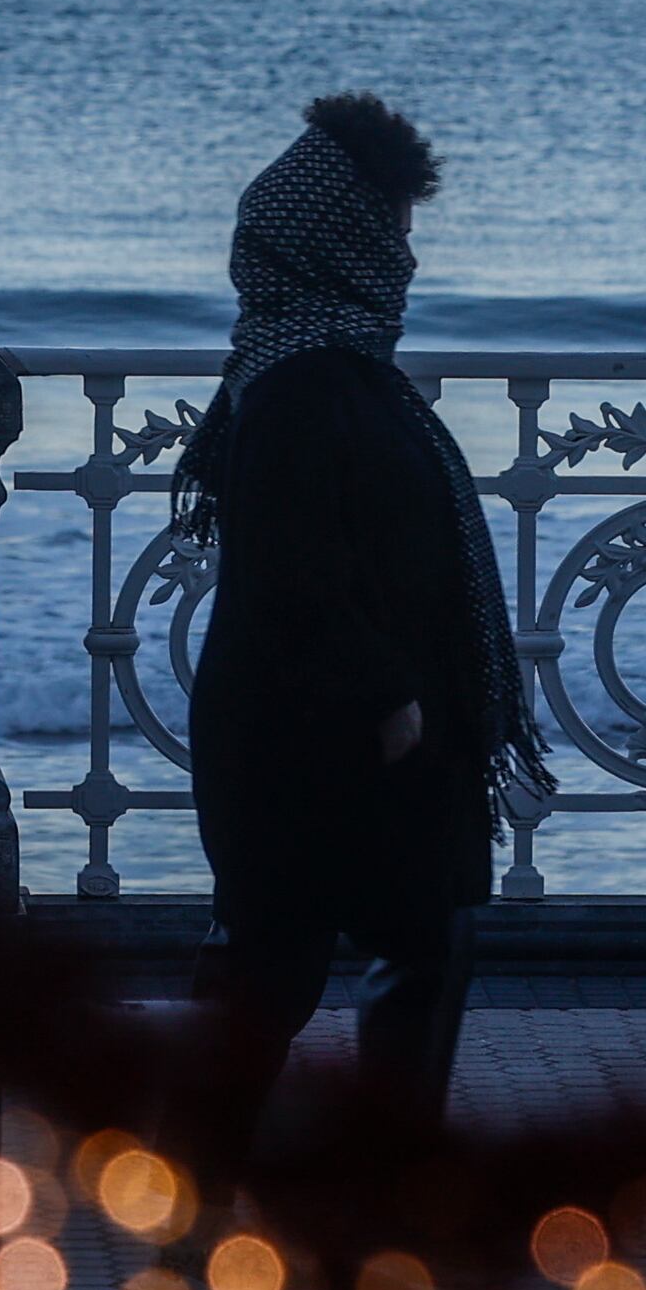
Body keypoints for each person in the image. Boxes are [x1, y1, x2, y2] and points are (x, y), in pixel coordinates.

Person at [173, 93, 538, 1171]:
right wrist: (391, 696)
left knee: (370, 954)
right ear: (343, 240)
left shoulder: (317, 369)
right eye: (393, 227)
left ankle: (316, 1192)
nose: (409, 259)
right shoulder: (299, 387)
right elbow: (298, 575)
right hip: (323, 743)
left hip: (336, 737)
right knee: (283, 972)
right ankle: (239, 1197)